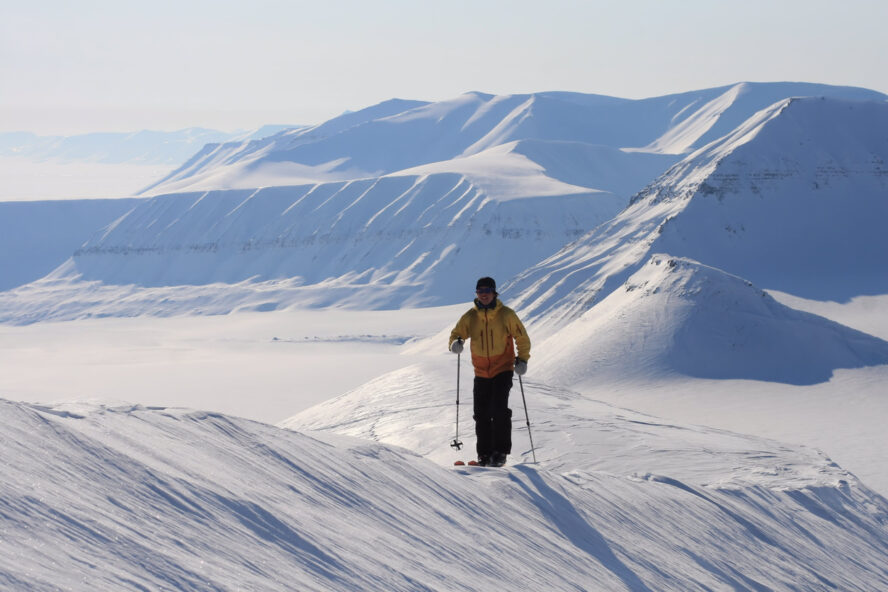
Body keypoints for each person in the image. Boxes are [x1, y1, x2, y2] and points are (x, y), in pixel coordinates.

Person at [448, 277, 530, 467]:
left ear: (494, 292)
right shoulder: (470, 317)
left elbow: (521, 337)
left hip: (503, 368)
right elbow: (456, 334)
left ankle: (500, 453)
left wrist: (523, 359)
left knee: (499, 410)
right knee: (481, 413)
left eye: (487, 290)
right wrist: (455, 344)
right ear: (477, 294)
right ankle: (484, 455)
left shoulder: (506, 315)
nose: (483, 294)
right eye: (480, 291)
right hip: (481, 371)